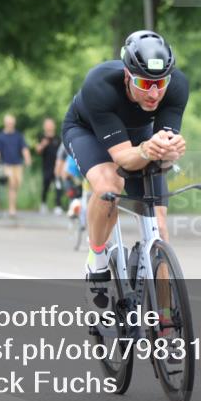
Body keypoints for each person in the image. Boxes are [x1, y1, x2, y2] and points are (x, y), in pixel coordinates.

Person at [61, 30, 188, 286]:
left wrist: (169, 153)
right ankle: (96, 262)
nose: (153, 94)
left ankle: (163, 320)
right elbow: (123, 159)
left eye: (160, 84)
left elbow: (161, 157)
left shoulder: (177, 86)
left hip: (138, 136)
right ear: (127, 75)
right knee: (110, 186)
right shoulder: (100, 85)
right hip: (87, 131)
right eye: (143, 84)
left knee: (160, 229)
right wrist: (146, 150)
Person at [0, 114, 32, 217]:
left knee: (17, 184)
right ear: (5, 123)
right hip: (6, 165)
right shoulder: (0, 137)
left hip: (18, 165)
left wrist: (27, 159)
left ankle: (12, 206)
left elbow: (24, 149)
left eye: (11, 123)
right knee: (12, 184)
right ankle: (12, 209)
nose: (10, 125)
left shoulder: (18, 136)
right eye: (8, 123)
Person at [34, 117, 64, 215]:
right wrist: (43, 144)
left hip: (58, 166)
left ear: (54, 126)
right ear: (44, 126)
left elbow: (63, 152)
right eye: (47, 124)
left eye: (51, 124)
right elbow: (37, 150)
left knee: (58, 186)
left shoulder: (58, 138)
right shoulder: (41, 137)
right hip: (46, 166)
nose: (49, 126)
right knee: (46, 185)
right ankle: (43, 203)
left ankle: (58, 206)